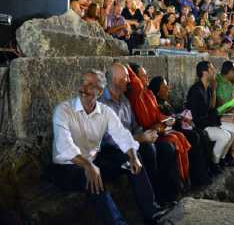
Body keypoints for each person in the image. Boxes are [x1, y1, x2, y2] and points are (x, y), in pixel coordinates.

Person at [50, 70, 168, 225]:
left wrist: (132, 156)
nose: (84, 88)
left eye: (90, 85)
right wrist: (87, 166)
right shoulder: (63, 110)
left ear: (99, 92)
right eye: (83, 83)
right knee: (92, 178)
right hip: (67, 167)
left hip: (93, 161)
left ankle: (151, 213)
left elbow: (122, 135)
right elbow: (65, 146)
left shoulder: (105, 112)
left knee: (131, 159)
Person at [126, 63, 190, 202]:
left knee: (179, 137)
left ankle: (182, 182)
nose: (146, 78)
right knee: (170, 146)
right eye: (143, 76)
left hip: (158, 129)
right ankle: (169, 193)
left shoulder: (148, 93)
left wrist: (167, 120)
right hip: (148, 133)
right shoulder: (135, 95)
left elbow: (157, 114)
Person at [148, 76, 214, 186]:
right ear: (157, 91)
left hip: (178, 126)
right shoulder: (156, 104)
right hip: (170, 131)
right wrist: (179, 119)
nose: (168, 88)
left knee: (201, 134)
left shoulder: (165, 101)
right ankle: (197, 178)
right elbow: (166, 121)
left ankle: (206, 171)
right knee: (194, 136)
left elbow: (174, 115)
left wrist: (182, 117)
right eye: (164, 87)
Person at [186, 61, 234, 168]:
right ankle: (214, 163)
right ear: (205, 72)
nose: (215, 71)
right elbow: (196, 118)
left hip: (209, 121)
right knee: (225, 136)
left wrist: (214, 91)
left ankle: (222, 158)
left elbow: (211, 109)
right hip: (200, 126)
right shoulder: (195, 90)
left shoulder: (209, 88)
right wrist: (220, 120)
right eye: (212, 69)